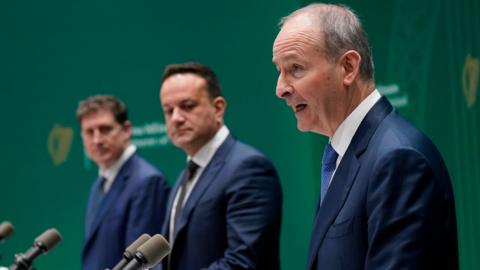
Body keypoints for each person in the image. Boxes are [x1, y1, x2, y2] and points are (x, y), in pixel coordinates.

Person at [272, 3, 458, 270]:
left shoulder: (398, 159)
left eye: (296, 68)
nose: (280, 89)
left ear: (348, 67)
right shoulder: (343, 153)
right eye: (279, 70)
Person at [156, 62, 282, 270]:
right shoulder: (186, 174)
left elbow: (245, 262)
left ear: (218, 108)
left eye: (187, 106)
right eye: (168, 110)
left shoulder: (248, 168)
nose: (176, 118)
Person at [77, 95, 170, 270]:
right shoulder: (98, 184)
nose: (96, 140)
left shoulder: (147, 181)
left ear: (126, 130)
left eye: (105, 129)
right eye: (89, 132)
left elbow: (143, 264)